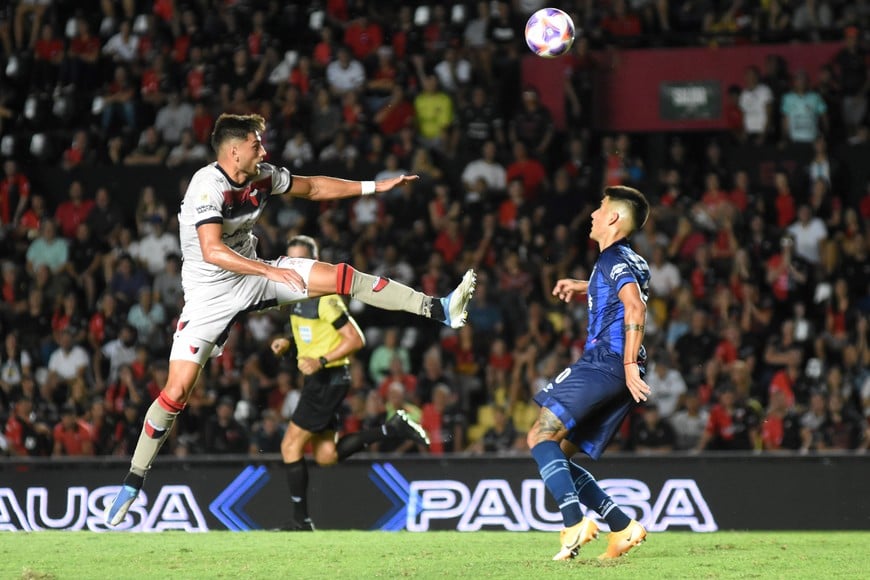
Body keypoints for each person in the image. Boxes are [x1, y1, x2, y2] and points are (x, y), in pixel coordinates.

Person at [104, 113, 476, 526]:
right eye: (256, 144)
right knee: (176, 393)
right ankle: (134, 481)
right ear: (234, 150)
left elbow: (313, 186)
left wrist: (375, 186)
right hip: (210, 297)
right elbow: (211, 249)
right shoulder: (205, 186)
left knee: (341, 277)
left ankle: (439, 309)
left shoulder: (260, 175)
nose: (264, 151)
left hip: (256, 275)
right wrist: (268, 270)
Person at [270, 235, 431, 531]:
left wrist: (319, 361)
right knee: (326, 455)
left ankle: (300, 521)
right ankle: (391, 428)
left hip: (327, 378)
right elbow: (311, 337)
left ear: (314, 263)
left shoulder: (325, 298)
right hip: (322, 379)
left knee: (290, 446)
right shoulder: (295, 296)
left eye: (301, 260)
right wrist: (287, 344)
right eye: (291, 259)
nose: (295, 266)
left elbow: (355, 339)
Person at [527, 185, 651, 561]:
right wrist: (584, 287)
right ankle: (623, 526)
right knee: (559, 455)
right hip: (619, 364)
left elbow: (635, 308)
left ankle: (573, 521)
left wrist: (627, 364)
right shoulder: (628, 260)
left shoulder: (613, 258)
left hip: (608, 360)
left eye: (600, 208)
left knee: (539, 435)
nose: (594, 214)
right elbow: (620, 293)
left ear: (613, 217)